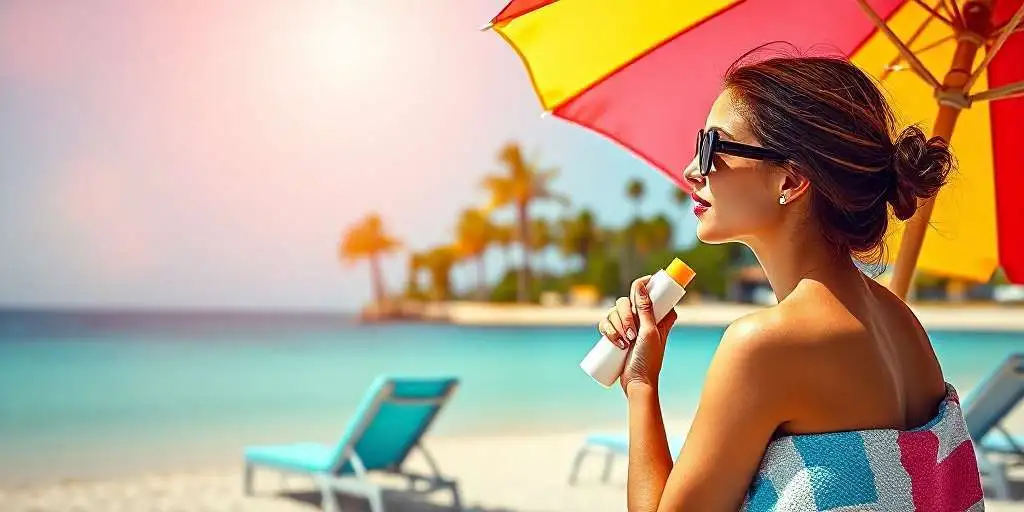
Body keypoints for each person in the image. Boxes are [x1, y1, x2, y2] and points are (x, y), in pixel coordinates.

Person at [598, 54, 985, 511]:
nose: (691, 169)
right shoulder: (903, 325)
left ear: (792, 178)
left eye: (711, 146)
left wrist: (641, 383)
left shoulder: (763, 345)